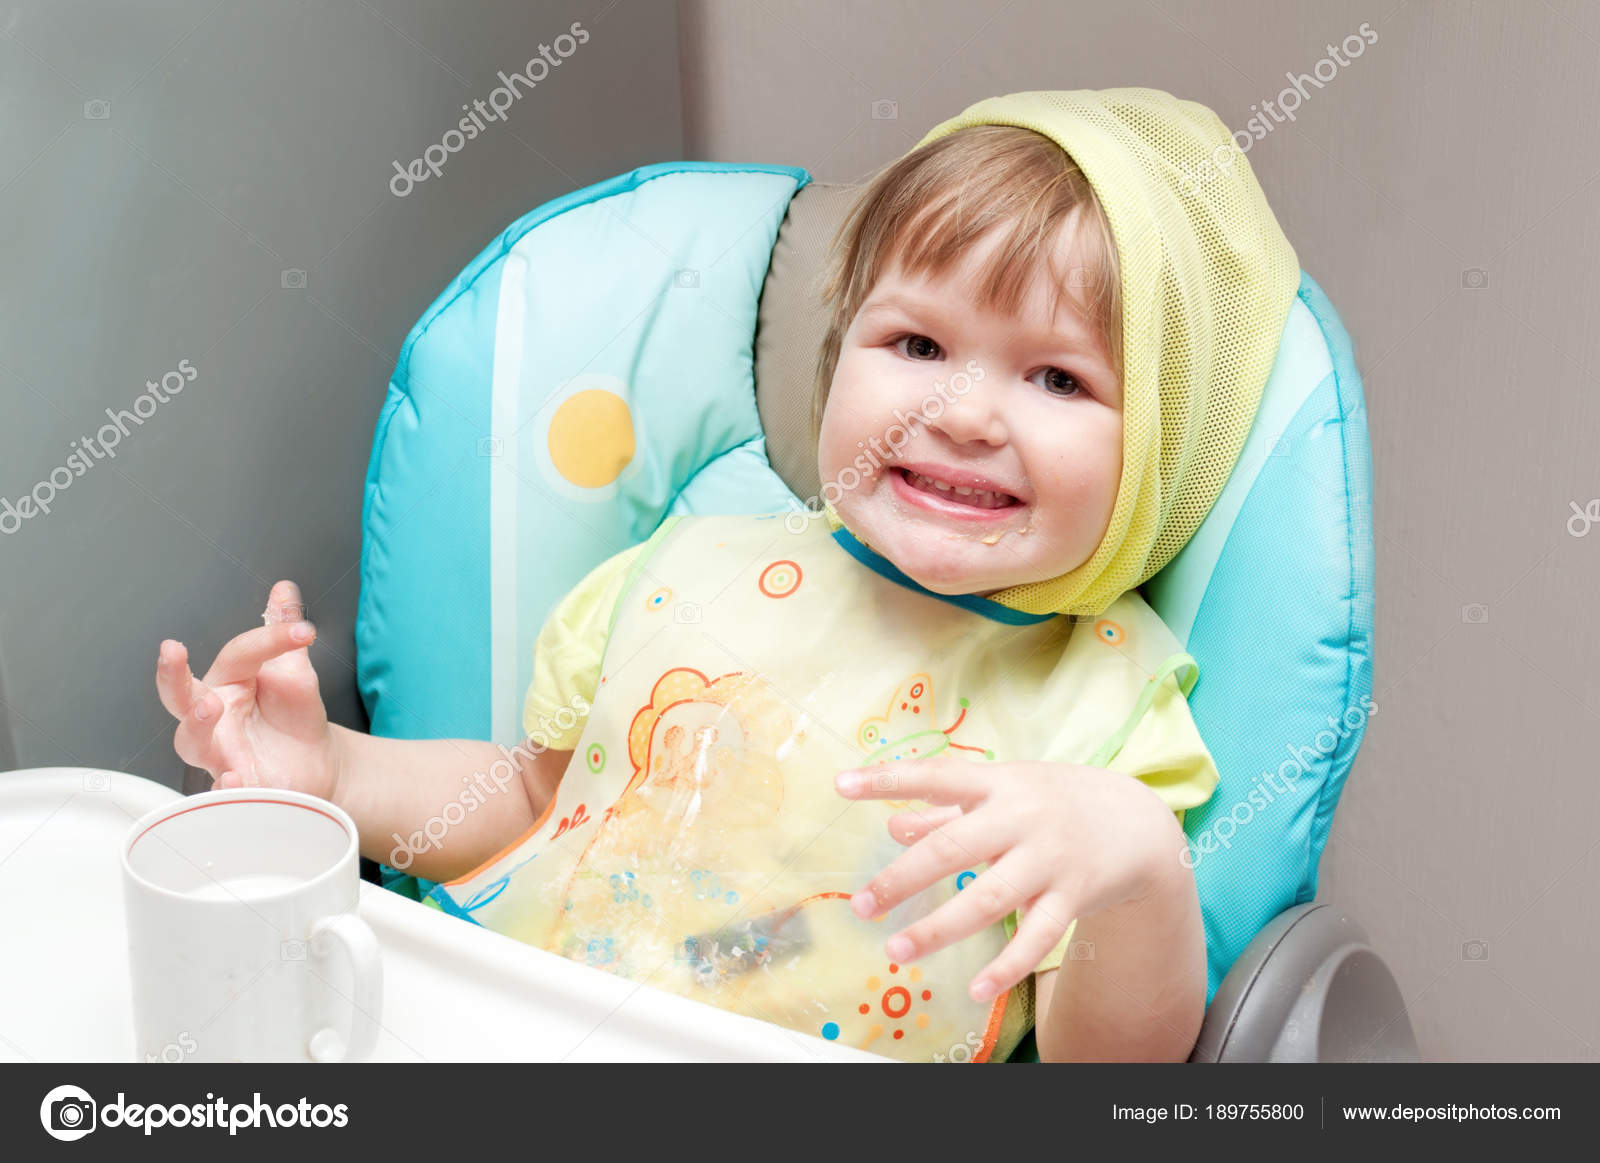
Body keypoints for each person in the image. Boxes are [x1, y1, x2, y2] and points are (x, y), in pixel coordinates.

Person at [155, 88, 1299, 1062]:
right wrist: (333, 775)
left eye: (1055, 378)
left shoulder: (1110, 711)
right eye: (915, 346)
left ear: (1159, 449)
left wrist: (1135, 870)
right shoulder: (682, 572)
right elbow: (541, 805)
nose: (961, 413)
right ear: (838, 352)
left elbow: (1111, 1067)